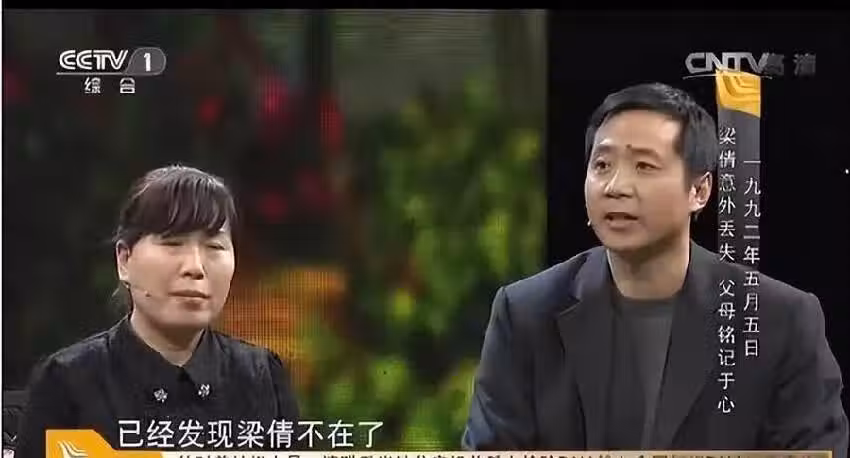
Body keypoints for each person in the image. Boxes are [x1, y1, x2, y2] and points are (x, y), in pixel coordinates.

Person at [462, 83, 848, 455]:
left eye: (644, 166)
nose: (615, 186)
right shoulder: (526, 313)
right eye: (602, 165)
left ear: (699, 191)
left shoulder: (779, 319)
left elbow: (814, 451)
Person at [16, 165, 300, 457]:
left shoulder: (262, 377)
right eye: (173, 244)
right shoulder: (67, 382)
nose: (195, 267)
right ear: (124, 260)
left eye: (214, 246)